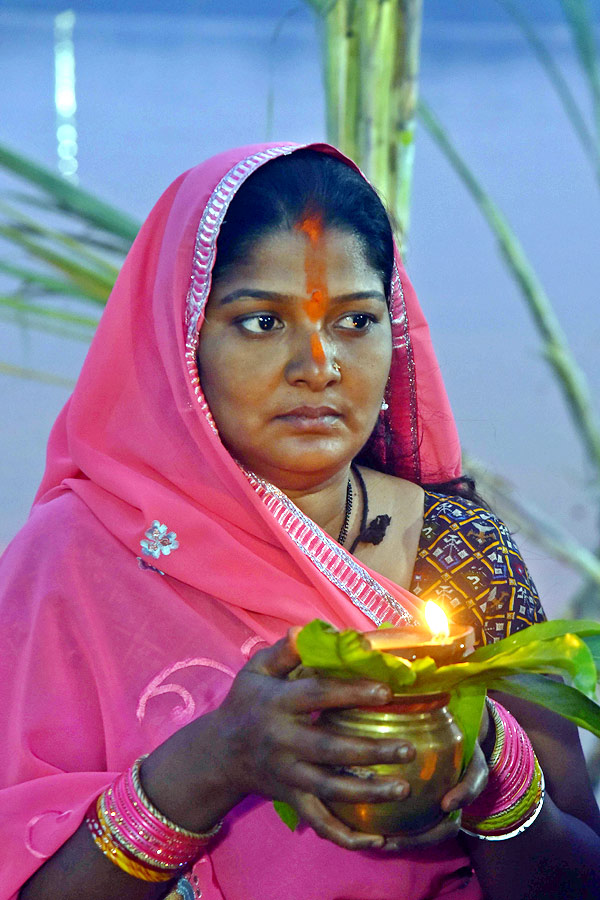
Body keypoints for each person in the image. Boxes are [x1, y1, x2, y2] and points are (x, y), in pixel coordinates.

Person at [1, 142, 599, 900]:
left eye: (355, 319)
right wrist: (213, 764)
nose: (317, 364)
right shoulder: (75, 559)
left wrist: (491, 767)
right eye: (260, 322)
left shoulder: (459, 552)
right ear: (183, 345)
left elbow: (581, 874)